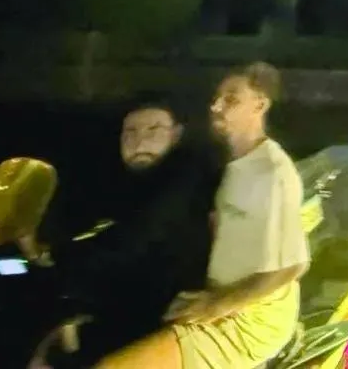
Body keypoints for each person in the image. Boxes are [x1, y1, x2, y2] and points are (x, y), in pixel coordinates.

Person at [96, 63, 309, 369]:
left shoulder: (272, 171)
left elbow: (291, 266)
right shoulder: (233, 165)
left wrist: (215, 306)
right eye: (217, 98)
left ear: (259, 105)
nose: (216, 106)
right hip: (219, 302)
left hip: (249, 320)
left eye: (231, 99)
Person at [33, 97, 216, 367]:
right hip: (127, 314)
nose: (139, 141)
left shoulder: (186, 176)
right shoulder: (125, 187)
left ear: (176, 135)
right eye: (130, 132)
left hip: (166, 322)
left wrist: (58, 257)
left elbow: (134, 239)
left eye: (153, 130)